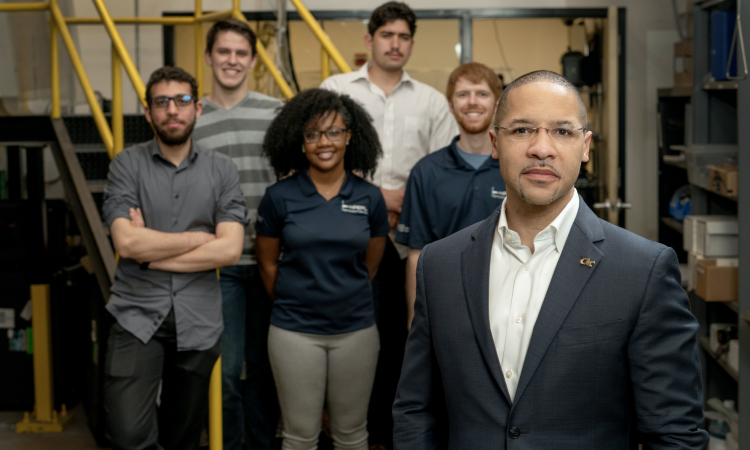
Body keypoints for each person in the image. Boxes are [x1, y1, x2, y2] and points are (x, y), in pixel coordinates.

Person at [392, 70, 708, 448]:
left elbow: (674, 432)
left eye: (562, 131)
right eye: (522, 130)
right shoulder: (440, 264)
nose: (542, 148)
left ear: (586, 146)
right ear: (495, 142)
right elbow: (415, 410)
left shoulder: (642, 270)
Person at [319, 3, 457, 445]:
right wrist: (381, 197)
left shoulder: (433, 101)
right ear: (369, 40)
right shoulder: (336, 90)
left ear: (411, 44)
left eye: (403, 37)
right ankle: (347, 434)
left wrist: (403, 203)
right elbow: (321, 158)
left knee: (404, 342)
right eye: (387, 35)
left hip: (409, 242)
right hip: (346, 239)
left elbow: (441, 169)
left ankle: (394, 435)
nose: (395, 43)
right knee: (346, 340)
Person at [102, 66, 247, 450]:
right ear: (148, 112)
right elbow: (127, 244)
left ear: (197, 108)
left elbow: (230, 249)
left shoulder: (223, 170)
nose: (172, 110)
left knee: (182, 438)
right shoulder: (125, 165)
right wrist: (198, 238)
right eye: (161, 102)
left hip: (198, 321)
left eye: (182, 100)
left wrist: (152, 251)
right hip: (135, 315)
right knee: (128, 434)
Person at [255, 88, 389, 450]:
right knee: (299, 437)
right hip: (294, 333)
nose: (323, 142)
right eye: (312, 134)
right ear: (300, 142)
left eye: (333, 132)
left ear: (349, 136)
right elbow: (267, 263)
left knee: (351, 436)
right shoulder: (279, 197)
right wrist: (296, 301)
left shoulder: (369, 197)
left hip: (356, 332)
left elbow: (370, 264)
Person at [192, 18, 283, 450]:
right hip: (217, 266)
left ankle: (262, 443)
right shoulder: (191, 117)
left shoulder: (274, 112)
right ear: (209, 57)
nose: (232, 61)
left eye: (241, 53)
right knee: (225, 372)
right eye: (224, 52)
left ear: (252, 59)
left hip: (271, 261)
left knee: (265, 367)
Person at [396, 62, 505, 330]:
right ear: (450, 104)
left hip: (508, 303)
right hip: (444, 304)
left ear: (497, 103)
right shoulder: (426, 171)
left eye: (481, 93)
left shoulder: (513, 169)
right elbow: (416, 255)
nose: (472, 102)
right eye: (463, 94)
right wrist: (415, 323)